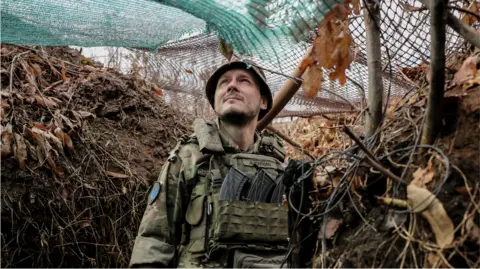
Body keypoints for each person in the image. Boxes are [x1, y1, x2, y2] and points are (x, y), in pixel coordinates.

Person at [129, 60, 290, 268]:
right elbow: (155, 238)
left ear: (264, 101)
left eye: (244, 81)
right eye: (224, 83)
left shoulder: (279, 168)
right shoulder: (190, 157)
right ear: (215, 102)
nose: (232, 86)